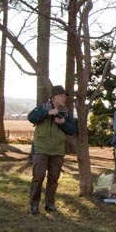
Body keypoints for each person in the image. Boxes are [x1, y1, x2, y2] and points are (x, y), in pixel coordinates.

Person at [28, 84, 77, 215]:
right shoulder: (42, 108)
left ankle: (50, 204)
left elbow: (72, 130)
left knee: (53, 178)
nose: (64, 98)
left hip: (57, 149)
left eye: (65, 96)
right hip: (41, 148)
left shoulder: (66, 113)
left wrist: (63, 123)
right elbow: (31, 117)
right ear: (54, 97)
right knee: (38, 176)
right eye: (61, 96)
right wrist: (47, 113)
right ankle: (34, 204)